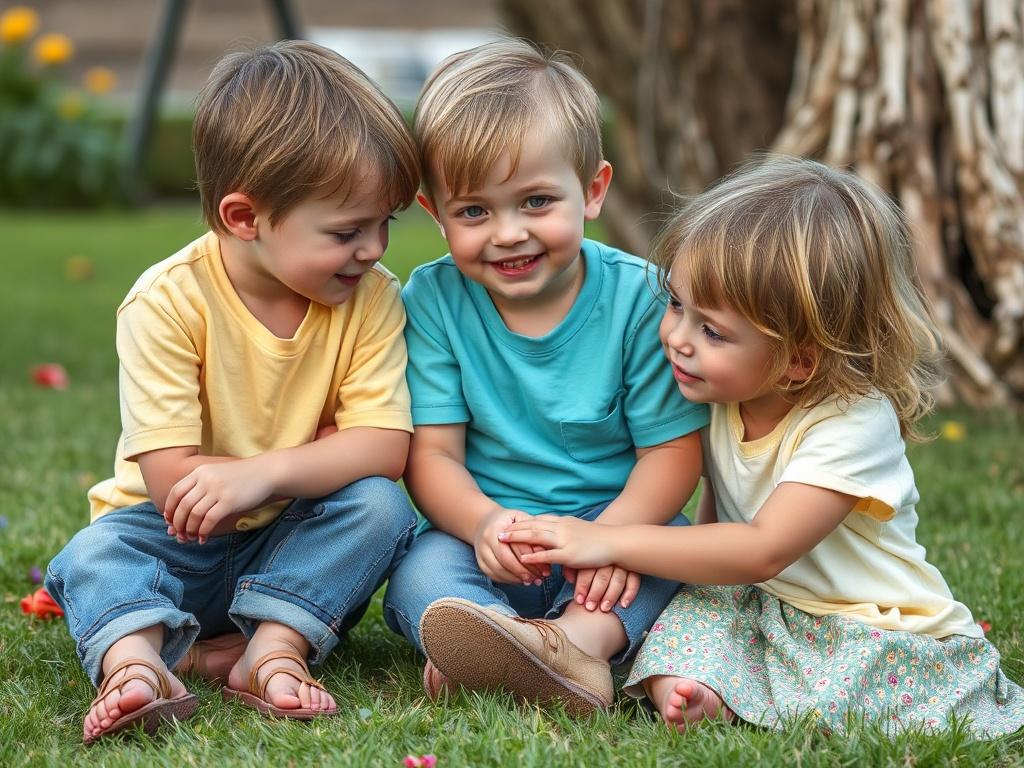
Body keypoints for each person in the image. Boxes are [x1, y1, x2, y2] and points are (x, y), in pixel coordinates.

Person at [498, 156, 1024, 737]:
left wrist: (604, 539)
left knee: (846, 683)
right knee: (684, 628)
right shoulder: (720, 392)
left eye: (712, 330)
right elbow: (716, 519)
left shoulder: (852, 421)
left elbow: (760, 548)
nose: (676, 339)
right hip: (765, 606)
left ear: (801, 359)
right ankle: (690, 692)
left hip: (869, 622)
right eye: (676, 305)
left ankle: (728, 696)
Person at [45, 40, 421, 743]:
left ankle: (272, 649)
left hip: (289, 538)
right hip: (171, 540)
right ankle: (135, 666)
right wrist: (298, 462)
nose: (373, 249)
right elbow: (170, 484)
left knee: (378, 508)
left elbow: (384, 447)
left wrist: (265, 473)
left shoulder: (371, 299)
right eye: (347, 231)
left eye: (384, 223)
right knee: (95, 552)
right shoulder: (165, 303)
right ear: (245, 218)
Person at [381, 39, 709, 716]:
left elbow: (672, 453)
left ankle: (568, 643)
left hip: (611, 524)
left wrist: (613, 537)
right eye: (474, 211)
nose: (508, 233)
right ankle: (488, 641)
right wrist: (482, 525)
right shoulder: (434, 301)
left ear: (592, 191)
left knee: (674, 548)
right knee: (420, 572)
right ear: (435, 213)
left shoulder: (640, 300)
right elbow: (434, 453)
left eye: (535, 201)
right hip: (491, 534)